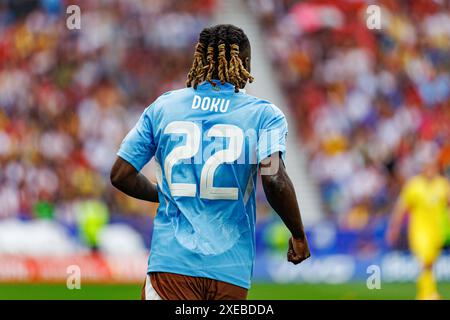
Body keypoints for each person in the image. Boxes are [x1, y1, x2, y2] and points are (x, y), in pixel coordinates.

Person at [110, 24, 310, 300]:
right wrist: (298, 233)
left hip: (171, 265)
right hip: (230, 269)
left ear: (200, 61)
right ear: (245, 64)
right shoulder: (264, 115)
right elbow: (274, 178)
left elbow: (121, 174)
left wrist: (165, 193)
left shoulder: (164, 107)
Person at [387, 158, 450, 300]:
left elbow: (448, 204)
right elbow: (401, 207)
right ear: (423, 169)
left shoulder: (442, 184)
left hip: (438, 231)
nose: (430, 171)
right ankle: (429, 294)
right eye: (427, 167)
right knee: (426, 260)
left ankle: (425, 293)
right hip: (419, 231)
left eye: (433, 167)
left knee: (431, 262)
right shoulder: (414, 186)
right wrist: (394, 228)